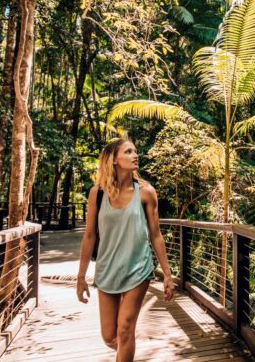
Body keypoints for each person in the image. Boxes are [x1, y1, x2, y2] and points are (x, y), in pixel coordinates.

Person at [76, 137, 174, 362]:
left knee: (125, 329)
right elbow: (90, 235)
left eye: (135, 150)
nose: (135, 155)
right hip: (107, 269)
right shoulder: (97, 193)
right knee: (110, 336)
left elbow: (156, 234)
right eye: (128, 151)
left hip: (137, 268)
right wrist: (81, 277)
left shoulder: (146, 192)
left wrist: (167, 274)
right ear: (114, 160)